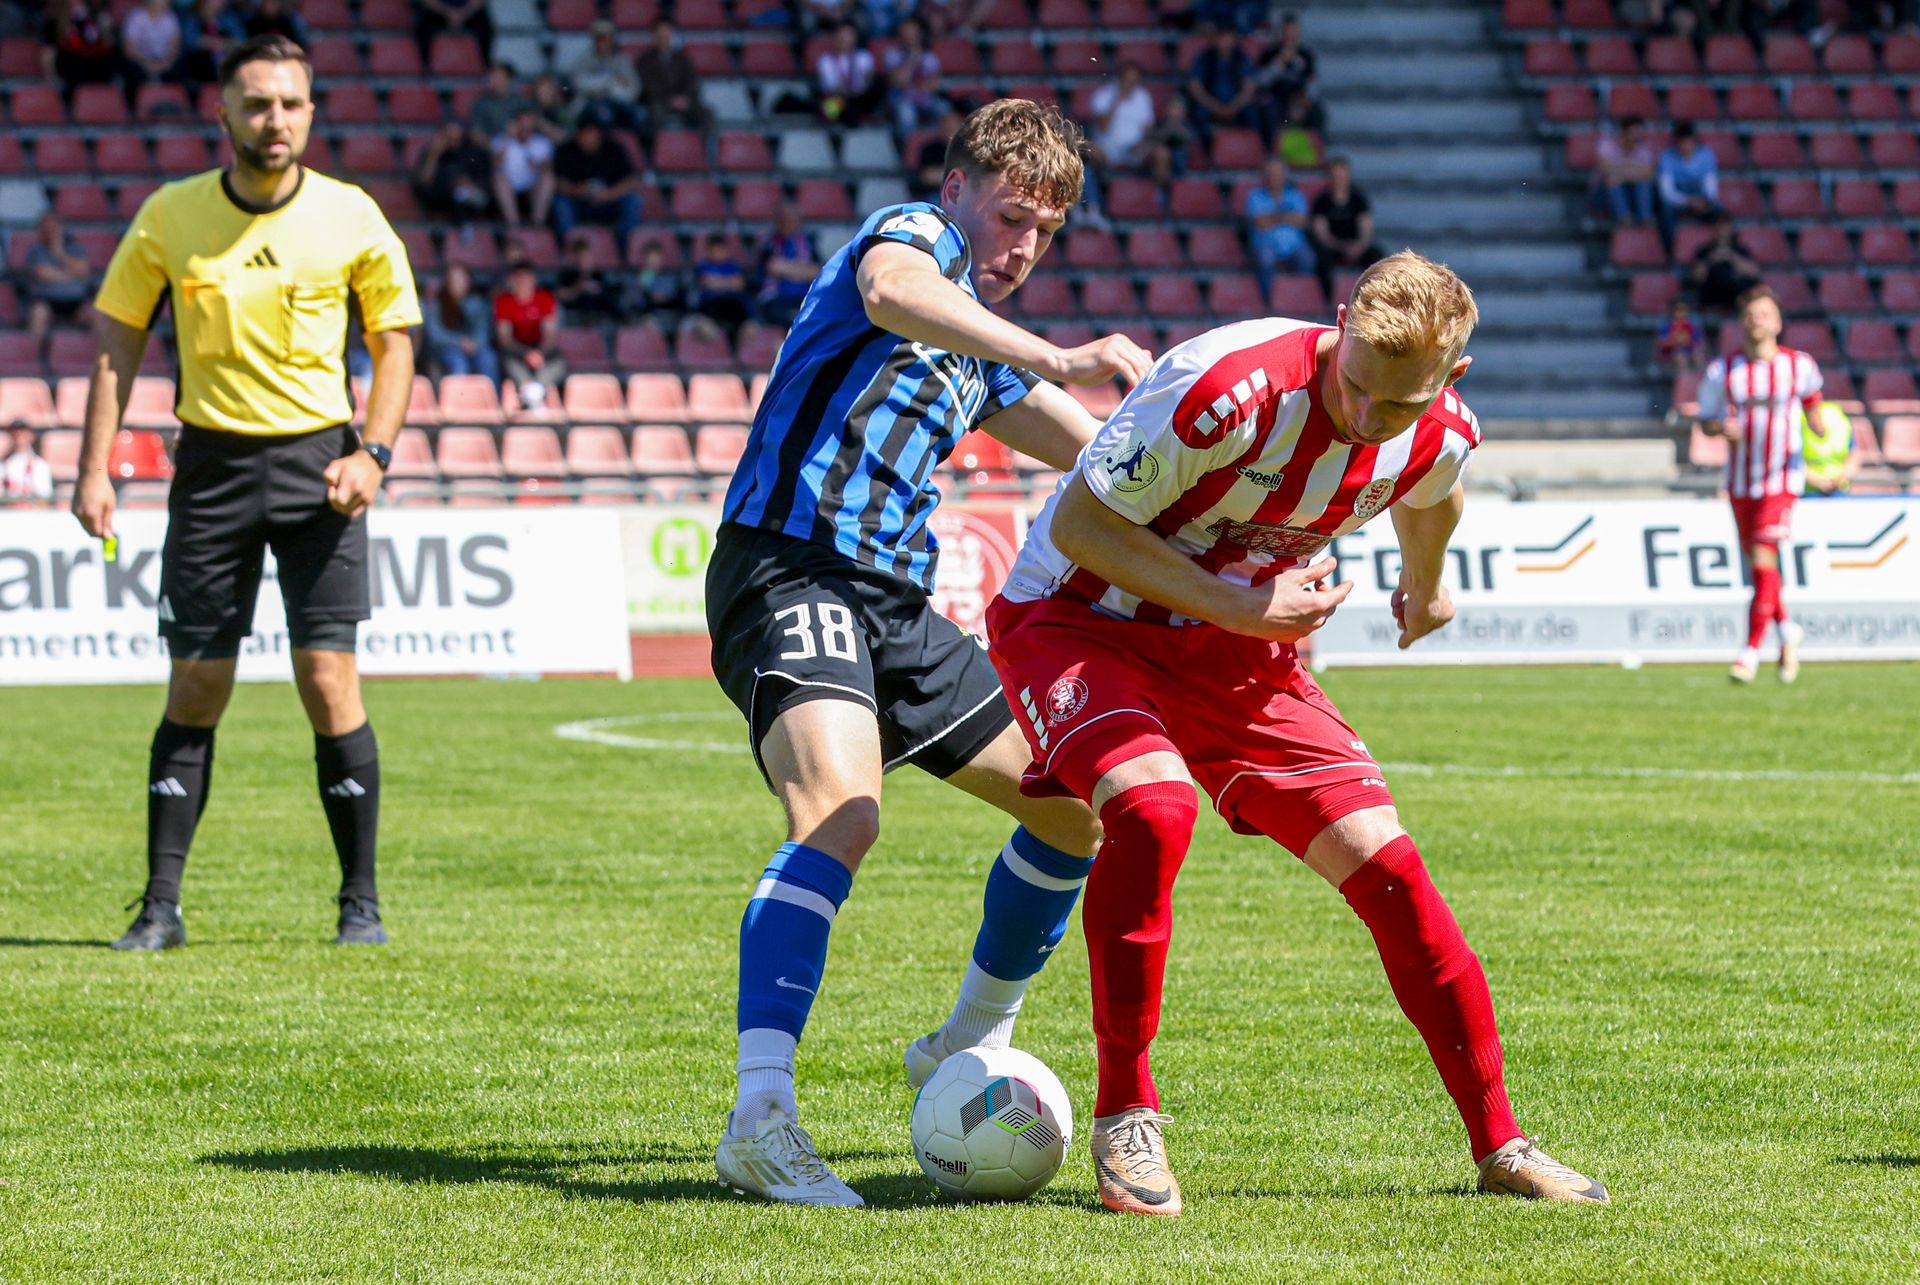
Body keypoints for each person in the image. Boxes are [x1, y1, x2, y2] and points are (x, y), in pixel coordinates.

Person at [964, 251, 1612, 1216]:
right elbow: (1082, 527)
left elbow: (1435, 487)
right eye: (1355, 383)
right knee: (1153, 807)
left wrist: (1427, 584)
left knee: (1390, 869)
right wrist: (1237, 602)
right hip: (1078, 618)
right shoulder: (1224, 387)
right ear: (1340, 322)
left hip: (1234, 649)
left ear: (1450, 379)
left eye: (1396, 404)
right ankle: (1125, 1115)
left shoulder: (1439, 431)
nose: (1366, 415)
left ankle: (1501, 1141)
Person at [706, 98, 1150, 1207]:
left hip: (895, 605)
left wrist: (1232, 525)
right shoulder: (909, 238)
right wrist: (1060, 351)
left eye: (1044, 232)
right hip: (788, 567)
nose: (1022, 247)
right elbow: (892, 292)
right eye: (1010, 217)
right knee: (842, 812)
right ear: (956, 190)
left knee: (1074, 808)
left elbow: (1107, 466)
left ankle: (966, 1038)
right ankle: (760, 1118)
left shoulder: (981, 357)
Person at [75, 34, 420, 951]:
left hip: (322, 472)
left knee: (328, 681)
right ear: (223, 112)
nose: (276, 120)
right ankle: (160, 907)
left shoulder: (350, 214)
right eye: (258, 103)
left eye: (292, 103)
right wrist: (93, 467)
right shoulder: (169, 214)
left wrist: (375, 454)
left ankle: (360, 905)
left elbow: (394, 345)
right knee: (196, 684)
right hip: (212, 470)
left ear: (311, 113)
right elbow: (117, 342)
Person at [1693, 284, 1822, 685]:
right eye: (1750, 315)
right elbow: (1706, 420)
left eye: (1764, 314)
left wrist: (1819, 426)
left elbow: (1813, 401)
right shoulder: (1724, 371)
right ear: (1741, 323)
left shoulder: (1798, 366)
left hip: (1781, 480)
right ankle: (1787, 630)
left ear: (1778, 322)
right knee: (1760, 566)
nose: (1757, 321)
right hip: (1739, 481)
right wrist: (1720, 429)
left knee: (1765, 557)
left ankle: (1748, 652)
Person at [550, 119, 642, 248]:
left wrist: (608, 194)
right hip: (579, 203)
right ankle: (567, 247)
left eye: (591, 133)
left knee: (633, 200)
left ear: (599, 134)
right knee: (560, 203)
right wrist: (575, 190)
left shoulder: (614, 149)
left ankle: (625, 247)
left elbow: (631, 181)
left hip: (608, 202)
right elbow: (557, 182)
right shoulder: (567, 150)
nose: (586, 137)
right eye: (583, 133)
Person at [493, 260, 567, 410]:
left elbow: (550, 336)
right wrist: (526, 354)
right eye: (518, 279)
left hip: (541, 347)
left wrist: (539, 353)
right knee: (508, 361)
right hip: (516, 349)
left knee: (559, 361)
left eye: (526, 279)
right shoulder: (503, 301)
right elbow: (505, 339)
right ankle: (531, 393)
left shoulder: (545, 298)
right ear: (512, 281)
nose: (522, 283)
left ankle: (535, 392)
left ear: (533, 280)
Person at [1307, 156, 1383, 304]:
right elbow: (1322, 234)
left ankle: (1373, 299)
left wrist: (1359, 246)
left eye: (1342, 175)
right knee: (1321, 259)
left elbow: (1366, 228)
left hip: (1356, 246)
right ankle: (1328, 300)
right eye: (1336, 175)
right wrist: (1342, 247)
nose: (1339, 179)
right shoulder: (1321, 201)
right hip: (1333, 247)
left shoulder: (1358, 199)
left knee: (1377, 256)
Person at [1243, 155, 1315, 298]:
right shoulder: (1254, 196)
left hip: (1295, 245)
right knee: (1266, 259)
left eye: (1278, 173)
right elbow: (1260, 223)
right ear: (1264, 175)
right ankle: (1269, 299)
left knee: (1308, 258)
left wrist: (1273, 217)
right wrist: (1287, 216)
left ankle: (1299, 297)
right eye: (1271, 173)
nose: (1275, 177)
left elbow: (1302, 221)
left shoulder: (1295, 195)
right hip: (1265, 244)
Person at [24, 211, 94, 357]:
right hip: (47, 303)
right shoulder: (35, 250)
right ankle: (35, 359)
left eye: (53, 228)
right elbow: (44, 274)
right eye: (46, 228)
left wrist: (59, 253)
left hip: (77, 303)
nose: (50, 232)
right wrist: (72, 274)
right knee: (38, 314)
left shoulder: (76, 249)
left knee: (98, 314)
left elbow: (84, 271)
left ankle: (106, 360)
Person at [633, 18, 713, 135]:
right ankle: (656, 145)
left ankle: (701, 145)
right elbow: (648, 86)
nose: (663, 37)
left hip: (682, 101)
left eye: (667, 33)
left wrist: (685, 97)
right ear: (654, 35)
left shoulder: (683, 59)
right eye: (660, 34)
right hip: (658, 102)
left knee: (707, 114)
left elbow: (691, 81)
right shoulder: (644, 60)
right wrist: (669, 100)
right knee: (653, 114)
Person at [423, 262, 500, 384]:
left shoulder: (477, 303)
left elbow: (484, 332)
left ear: (469, 281)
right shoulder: (437, 304)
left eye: (462, 279)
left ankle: (491, 395)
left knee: (488, 358)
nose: (458, 283)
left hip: (475, 348)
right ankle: (457, 397)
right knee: (458, 362)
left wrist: (474, 344)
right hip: (446, 349)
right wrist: (459, 342)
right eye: (454, 279)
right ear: (447, 282)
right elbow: (435, 335)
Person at [1184, 27, 1262, 144]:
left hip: (1236, 103)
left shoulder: (1242, 58)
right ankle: (1204, 149)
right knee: (1199, 113)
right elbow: (1195, 87)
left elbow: (1249, 88)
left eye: (1228, 38)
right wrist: (1215, 106)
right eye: (1222, 38)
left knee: (1252, 113)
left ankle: (1252, 146)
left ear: (1234, 40)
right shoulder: (1204, 57)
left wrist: (1235, 106)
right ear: (1215, 39)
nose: (1224, 42)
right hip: (1210, 102)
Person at [1657, 121, 1720, 256]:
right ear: (1676, 143)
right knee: (1665, 214)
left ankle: (1721, 249)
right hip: (1677, 200)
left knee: (1720, 213)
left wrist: (1705, 201)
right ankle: (1670, 253)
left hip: (1700, 198)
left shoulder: (1706, 155)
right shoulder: (1667, 157)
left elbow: (1711, 188)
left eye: (1689, 142)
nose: (1686, 146)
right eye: (1682, 143)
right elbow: (1667, 192)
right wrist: (1688, 201)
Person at [753, 204, 820, 329]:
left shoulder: (808, 242)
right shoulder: (768, 242)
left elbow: (816, 271)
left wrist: (786, 268)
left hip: (804, 296)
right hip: (776, 297)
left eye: (792, 219)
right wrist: (802, 270)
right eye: (784, 219)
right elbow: (773, 267)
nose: (788, 223)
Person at [412, 120, 495, 221]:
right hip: (442, 198)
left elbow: (485, 177)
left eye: (457, 136)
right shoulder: (433, 154)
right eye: (449, 137)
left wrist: (469, 184)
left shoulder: (470, 152)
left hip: (471, 197)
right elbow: (424, 182)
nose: (453, 140)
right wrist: (434, 155)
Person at [567, 20, 639, 132]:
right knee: (603, 114)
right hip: (590, 104)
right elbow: (578, 83)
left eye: (606, 39)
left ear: (612, 40)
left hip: (619, 104)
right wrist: (610, 82)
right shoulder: (585, 60)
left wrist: (607, 88)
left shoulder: (623, 61)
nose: (602, 43)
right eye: (599, 39)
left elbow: (633, 89)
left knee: (640, 115)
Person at [490, 107, 554, 231]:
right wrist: (508, 138)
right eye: (522, 124)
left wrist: (538, 166)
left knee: (548, 178)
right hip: (509, 184)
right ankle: (514, 224)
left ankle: (538, 223)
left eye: (529, 125)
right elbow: (495, 163)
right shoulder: (501, 140)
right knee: (498, 178)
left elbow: (549, 166)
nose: (525, 128)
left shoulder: (542, 142)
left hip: (532, 186)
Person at [1087, 61, 1156, 173]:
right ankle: (1101, 182)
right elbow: (1103, 127)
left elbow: (1148, 129)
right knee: (1091, 150)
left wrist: (1141, 143)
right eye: (1127, 80)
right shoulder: (1102, 95)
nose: (1130, 84)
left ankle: (1163, 185)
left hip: (1135, 148)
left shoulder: (1143, 96)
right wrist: (1117, 101)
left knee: (1160, 154)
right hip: (1107, 147)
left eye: (1134, 80)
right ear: (1120, 78)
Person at [41, 0, 119, 94]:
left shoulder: (95, 17)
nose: (76, 3)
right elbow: (48, 52)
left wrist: (105, 29)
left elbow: (106, 43)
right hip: (71, 67)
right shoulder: (54, 22)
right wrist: (51, 77)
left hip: (95, 64)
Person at [883, 15, 943, 135]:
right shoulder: (892, 54)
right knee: (907, 113)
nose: (909, 36)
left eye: (912, 32)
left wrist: (914, 87)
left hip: (925, 98)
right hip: (900, 99)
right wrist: (912, 58)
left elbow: (933, 85)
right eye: (906, 32)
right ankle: (910, 145)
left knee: (944, 110)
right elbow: (899, 81)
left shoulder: (930, 57)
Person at [1689, 213, 1762, 313]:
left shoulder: (1740, 250)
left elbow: (1755, 274)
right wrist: (1712, 259)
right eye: (1717, 227)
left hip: (1738, 298)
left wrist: (1730, 257)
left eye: (1724, 227)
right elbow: (1697, 278)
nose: (1721, 231)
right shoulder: (1704, 251)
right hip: (1712, 298)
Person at [815, 21, 883, 125]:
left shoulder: (864, 56)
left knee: (879, 84)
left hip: (861, 99)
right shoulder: (825, 60)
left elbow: (868, 82)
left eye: (848, 36)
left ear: (855, 38)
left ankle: (856, 114)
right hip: (837, 100)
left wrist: (861, 90)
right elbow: (833, 87)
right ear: (835, 38)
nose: (845, 39)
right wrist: (850, 94)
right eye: (841, 36)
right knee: (834, 105)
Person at [1595, 116, 1656, 227]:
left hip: (1631, 192)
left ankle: (1645, 219)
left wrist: (1621, 173)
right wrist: (1634, 170)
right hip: (1603, 193)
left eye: (1640, 133)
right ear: (1623, 133)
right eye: (1633, 133)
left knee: (1644, 183)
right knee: (1612, 182)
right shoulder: (1607, 144)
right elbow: (1607, 169)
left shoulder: (1643, 148)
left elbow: (1649, 173)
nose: (1637, 137)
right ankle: (1625, 220)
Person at [689, 233, 751, 339]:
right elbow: (706, 282)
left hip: (732, 302)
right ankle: (718, 341)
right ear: (709, 250)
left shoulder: (733, 265)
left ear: (726, 250)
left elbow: (739, 284)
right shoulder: (703, 265)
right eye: (714, 250)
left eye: (720, 250)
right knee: (705, 322)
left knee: (745, 317)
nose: (717, 253)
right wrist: (729, 282)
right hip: (711, 303)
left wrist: (716, 282)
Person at [555, 232, 621, 324]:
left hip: (596, 312)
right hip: (575, 311)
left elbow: (605, 294)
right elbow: (559, 295)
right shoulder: (568, 274)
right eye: (580, 256)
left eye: (586, 256)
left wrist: (594, 289)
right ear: (575, 257)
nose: (583, 260)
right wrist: (578, 288)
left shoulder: (598, 274)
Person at [121, 0, 182, 89]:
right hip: (140, 60)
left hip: (164, 60)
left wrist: (165, 62)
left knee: (179, 69)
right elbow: (129, 48)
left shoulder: (171, 17)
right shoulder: (135, 17)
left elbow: (175, 46)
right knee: (131, 70)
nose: (167, 3)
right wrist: (146, 63)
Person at [628, 240, 688, 329]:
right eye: (650, 257)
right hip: (651, 313)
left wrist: (665, 296)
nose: (654, 260)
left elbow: (677, 295)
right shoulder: (644, 276)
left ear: (661, 257)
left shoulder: (670, 275)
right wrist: (645, 280)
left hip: (672, 311)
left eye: (656, 256)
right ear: (645, 259)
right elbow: (638, 299)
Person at [1802, 401, 1856, 497]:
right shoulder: (1797, 421)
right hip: (1806, 493)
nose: (1818, 425)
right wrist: (1816, 481)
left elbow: (1854, 455)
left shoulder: (1838, 418)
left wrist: (1841, 478)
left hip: (1839, 492)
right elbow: (1790, 460)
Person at [413, 0, 491, 65]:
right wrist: (447, 12)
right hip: (440, 12)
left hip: (467, 12)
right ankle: (424, 65)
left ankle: (486, 65)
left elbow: (479, 2)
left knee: (485, 26)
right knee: (423, 26)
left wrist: (462, 13)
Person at [468, 60, 529, 142]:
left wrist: (519, 129)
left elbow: (532, 124)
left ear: (509, 80)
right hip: (492, 144)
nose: (495, 81)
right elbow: (476, 132)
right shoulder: (481, 103)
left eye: (499, 78)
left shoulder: (520, 101)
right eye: (493, 77)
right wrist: (494, 144)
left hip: (521, 142)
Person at [1, 425, 54, 501]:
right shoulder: (3, 463)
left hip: (29, 507)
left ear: (31, 435)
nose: (19, 436)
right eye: (14, 433)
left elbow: (44, 499)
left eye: (22, 433)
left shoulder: (39, 465)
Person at [1654, 297, 1705, 374]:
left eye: (1683, 310)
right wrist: (1675, 341)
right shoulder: (1666, 325)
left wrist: (1695, 347)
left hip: (1691, 352)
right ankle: (1686, 380)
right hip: (1672, 354)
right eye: (1678, 310)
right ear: (1672, 311)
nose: (1681, 313)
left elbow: (1701, 343)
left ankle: (1700, 378)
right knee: (1681, 357)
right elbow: (1660, 344)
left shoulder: (1692, 325)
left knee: (1699, 356)